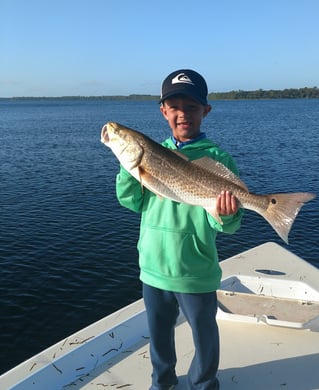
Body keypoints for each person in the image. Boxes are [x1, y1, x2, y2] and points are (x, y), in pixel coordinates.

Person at [116, 69, 243, 390]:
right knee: (159, 337)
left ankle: (203, 384)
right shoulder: (149, 152)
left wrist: (226, 215)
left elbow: (228, 224)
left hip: (195, 269)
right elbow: (132, 202)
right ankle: (163, 384)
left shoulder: (218, 158)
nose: (182, 114)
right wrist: (127, 167)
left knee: (204, 336)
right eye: (174, 107)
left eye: (192, 107)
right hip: (154, 267)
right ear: (163, 111)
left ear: (206, 111)